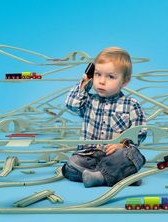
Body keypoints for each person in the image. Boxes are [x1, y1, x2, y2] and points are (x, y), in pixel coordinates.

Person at [61, 47, 147, 187]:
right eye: (97, 74)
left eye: (110, 77)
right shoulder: (88, 101)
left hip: (115, 155)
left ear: (124, 82)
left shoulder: (131, 105)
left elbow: (140, 133)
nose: (101, 81)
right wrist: (84, 83)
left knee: (132, 155)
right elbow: (71, 104)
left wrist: (122, 145)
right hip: (90, 156)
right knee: (70, 166)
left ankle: (105, 175)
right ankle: (120, 175)